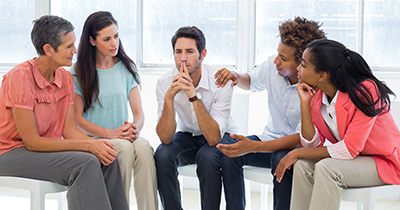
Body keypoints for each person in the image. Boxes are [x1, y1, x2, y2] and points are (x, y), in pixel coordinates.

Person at [0, 15, 129, 210]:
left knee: (108, 157)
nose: (75, 51)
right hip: (10, 153)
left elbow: (69, 130)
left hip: (43, 150)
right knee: (84, 163)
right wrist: (88, 147)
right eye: (69, 46)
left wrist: (97, 145)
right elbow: (32, 142)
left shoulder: (65, 77)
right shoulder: (20, 77)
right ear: (48, 50)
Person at [274, 39, 400, 210]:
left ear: (322, 75)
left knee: (327, 168)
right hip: (353, 161)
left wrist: (297, 152)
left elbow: (350, 148)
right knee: (303, 165)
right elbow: (312, 143)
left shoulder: (366, 90)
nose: (298, 69)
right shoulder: (317, 97)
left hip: (384, 162)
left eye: (303, 65)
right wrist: (305, 104)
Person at [215, 17, 326, 210]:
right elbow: (250, 81)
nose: (276, 61)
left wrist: (254, 147)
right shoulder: (272, 67)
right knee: (230, 153)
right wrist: (235, 76)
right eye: (278, 54)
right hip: (269, 138)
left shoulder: (315, 89)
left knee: (281, 160)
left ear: (302, 63)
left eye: (284, 58)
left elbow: (302, 139)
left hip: (296, 147)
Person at [70, 11, 158, 209]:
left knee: (144, 148)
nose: (114, 43)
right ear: (92, 41)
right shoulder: (76, 73)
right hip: (94, 139)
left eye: (116, 36)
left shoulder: (126, 67)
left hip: (122, 136)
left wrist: (135, 128)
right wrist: (111, 134)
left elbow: (138, 112)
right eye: (107, 39)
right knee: (124, 149)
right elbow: (77, 121)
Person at [155, 26, 239, 210]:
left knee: (207, 157)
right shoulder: (164, 82)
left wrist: (193, 96)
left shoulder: (220, 82)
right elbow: (165, 138)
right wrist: (169, 98)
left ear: (203, 54)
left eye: (189, 51)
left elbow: (213, 138)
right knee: (162, 154)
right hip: (189, 135)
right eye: (178, 52)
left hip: (220, 135)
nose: (183, 58)